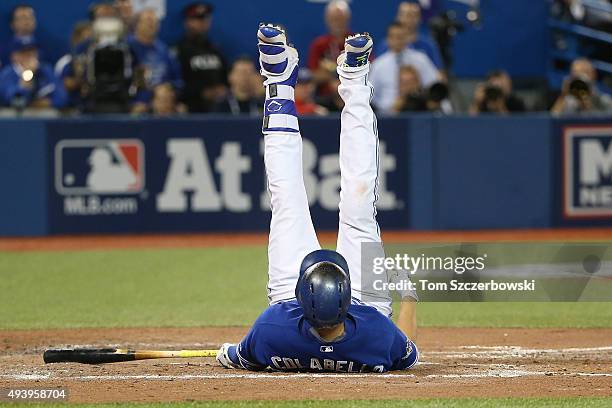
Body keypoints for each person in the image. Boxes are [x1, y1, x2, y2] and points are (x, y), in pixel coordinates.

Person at [216, 24, 418, 373]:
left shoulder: (274, 327)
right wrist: (410, 297)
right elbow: (409, 354)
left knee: (289, 200)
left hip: (297, 306)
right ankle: (354, 80)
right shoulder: (374, 332)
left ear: (300, 296)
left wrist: (228, 353)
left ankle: (278, 81)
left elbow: (230, 355)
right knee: (355, 202)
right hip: (368, 305)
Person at [370, 22, 439, 114]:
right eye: (393, 37)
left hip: (417, 113)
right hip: (387, 116)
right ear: (388, 39)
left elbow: (434, 87)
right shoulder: (378, 65)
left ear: (407, 38)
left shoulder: (421, 59)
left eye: (401, 37)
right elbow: (370, 97)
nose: (397, 40)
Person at [175, 2, 228, 113]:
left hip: (219, 108)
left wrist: (222, 89)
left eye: (205, 19)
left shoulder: (215, 50)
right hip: (191, 108)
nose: (202, 23)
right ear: (187, 22)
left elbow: (225, 76)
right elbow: (176, 83)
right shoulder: (180, 50)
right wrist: (202, 92)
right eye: (197, 19)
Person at [129, 8, 183, 112]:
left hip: (162, 103)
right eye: (148, 21)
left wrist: (168, 89)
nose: (152, 25)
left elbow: (178, 81)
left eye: (155, 22)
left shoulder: (164, 50)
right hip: (135, 102)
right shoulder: (127, 48)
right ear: (137, 24)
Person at [0, 37, 66, 109]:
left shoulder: (45, 70)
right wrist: (28, 74)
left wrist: (36, 104)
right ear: (14, 56)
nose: (31, 55)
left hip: (45, 118)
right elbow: (16, 102)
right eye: (25, 52)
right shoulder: (7, 74)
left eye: (33, 51)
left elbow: (62, 99)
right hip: (16, 119)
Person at [308, 0, 352, 97]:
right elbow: (313, 75)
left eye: (340, 19)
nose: (337, 23)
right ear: (327, 20)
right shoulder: (319, 44)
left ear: (348, 19)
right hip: (326, 98)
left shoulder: (357, 43)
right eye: (333, 19)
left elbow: (368, 70)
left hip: (353, 95)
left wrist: (330, 71)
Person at [393, 1, 444, 69]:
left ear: (420, 18)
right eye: (407, 15)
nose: (410, 19)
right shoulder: (387, 44)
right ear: (398, 17)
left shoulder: (429, 45)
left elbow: (439, 73)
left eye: (414, 15)